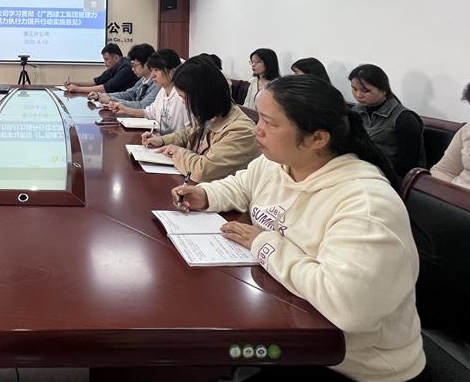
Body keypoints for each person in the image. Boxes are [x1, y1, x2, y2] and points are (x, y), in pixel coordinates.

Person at [172, 75, 426, 382]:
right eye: (259, 118)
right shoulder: (278, 162)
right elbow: (242, 185)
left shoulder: (366, 204)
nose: (257, 130)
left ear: (317, 138)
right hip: (289, 327)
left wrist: (264, 243)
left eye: (269, 123)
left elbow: (347, 307)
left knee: (201, 357)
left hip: (352, 363)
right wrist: (206, 194)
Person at [143, 59, 259, 181]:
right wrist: (161, 140)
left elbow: (203, 171)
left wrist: (177, 152)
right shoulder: (211, 115)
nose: (183, 103)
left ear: (202, 96)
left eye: (184, 98)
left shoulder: (241, 131)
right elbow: (188, 134)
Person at [349, 64, 424, 179]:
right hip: (361, 169)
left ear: (384, 91)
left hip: (387, 176)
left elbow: (407, 164)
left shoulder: (404, 118)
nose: (358, 95)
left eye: (366, 91)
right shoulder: (356, 111)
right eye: (354, 89)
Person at [110, 49, 188, 134]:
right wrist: (124, 109)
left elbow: (189, 133)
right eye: (151, 70)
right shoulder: (162, 91)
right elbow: (148, 113)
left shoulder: (182, 97)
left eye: (156, 70)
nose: (152, 75)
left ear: (172, 71)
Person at [87, 43, 159, 109]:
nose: (132, 69)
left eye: (134, 65)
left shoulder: (157, 84)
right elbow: (129, 94)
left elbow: (142, 106)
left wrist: (110, 100)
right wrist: (101, 95)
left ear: (147, 63)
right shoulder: (143, 79)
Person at [65, 43, 137, 94]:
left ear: (116, 58)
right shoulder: (114, 67)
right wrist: (75, 83)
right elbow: (96, 81)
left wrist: (78, 89)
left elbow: (105, 88)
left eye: (107, 59)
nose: (104, 62)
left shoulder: (127, 68)